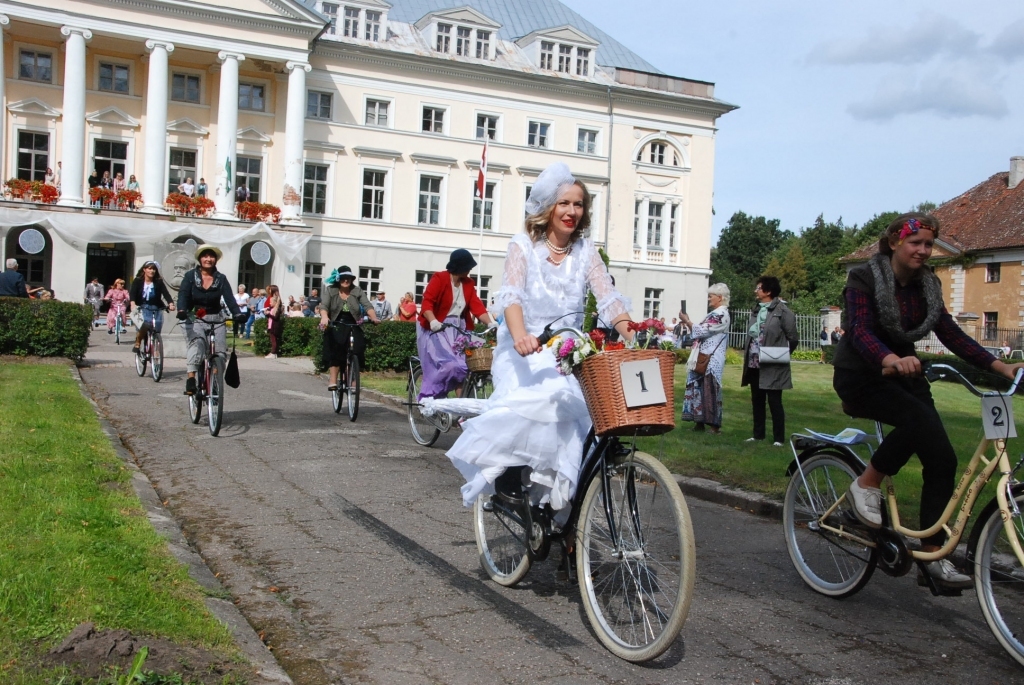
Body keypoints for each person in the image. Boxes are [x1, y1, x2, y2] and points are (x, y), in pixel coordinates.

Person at [835, 213, 1024, 587]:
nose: (923, 250)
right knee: (917, 421)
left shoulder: (929, 287)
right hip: (862, 374)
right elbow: (857, 329)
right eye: (915, 242)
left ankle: (933, 558)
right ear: (894, 243)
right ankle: (865, 486)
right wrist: (888, 358)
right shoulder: (864, 278)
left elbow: (951, 334)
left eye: (928, 244)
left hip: (907, 372)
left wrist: (1001, 367)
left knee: (943, 457)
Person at [443, 162, 633, 513]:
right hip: (526, 348)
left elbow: (608, 298)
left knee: (591, 414)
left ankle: (566, 513)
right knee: (542, 400)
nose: (571, 211)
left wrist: (633, 330)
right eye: (564, 203)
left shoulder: (586, 251)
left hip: (568, 350)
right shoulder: (523, 246)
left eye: (578, 204)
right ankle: (510, 477)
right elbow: (511, 296)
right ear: (548, 206)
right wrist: (519, 337)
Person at [416, 249, 495, 400]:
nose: (471, 269)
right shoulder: (440, 279)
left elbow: (476, 306)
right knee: (450, 365)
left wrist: (490, 323)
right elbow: (427, 303)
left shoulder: (468, 283)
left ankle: (463, 410)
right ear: (460, 266)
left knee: (468, 365)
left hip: (459, 328)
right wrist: (433, 320)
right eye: (468, 266)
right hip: (437, 328)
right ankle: (434, 395)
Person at [176, 245, 245, 396]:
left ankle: (214, 380)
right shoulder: (190, 276)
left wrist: (237, 314)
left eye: (211, 256)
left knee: (220, 353)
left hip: (217, 318)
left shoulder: (221, 278)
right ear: (200, 259)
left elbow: (230, 299)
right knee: (198, 344)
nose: (208, 259)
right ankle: (191, 379)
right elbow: (183, 295)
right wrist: (181, 310)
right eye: (205, 256)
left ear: (216, 259)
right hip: (198, 317)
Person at [741, 275, 798, 446]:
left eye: (759, 288)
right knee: (757, 399)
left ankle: (778, 439)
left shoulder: (783, 312)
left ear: (769, 291)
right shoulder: (756, 310)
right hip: (754, 361)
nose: (755, 291)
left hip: (773, 363)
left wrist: (780, 354)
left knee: (774, 401)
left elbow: (792, 338)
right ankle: (758, 434)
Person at [679, 284, 731, 434]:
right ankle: (699, 422)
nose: (709, 298)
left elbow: (702, 330)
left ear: (720, 298)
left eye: (711, 296)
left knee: (710, 389)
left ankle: (714, 426)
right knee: (697, 388)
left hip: (711, 358)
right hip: (702, 356)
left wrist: (687, 321)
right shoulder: (714, 313)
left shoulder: (721, 314)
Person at [318, 266, 380, 391]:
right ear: (338, 279)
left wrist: (374, 318)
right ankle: (333, 379)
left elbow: (367, 305)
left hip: (353, 322)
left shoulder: (357, 290)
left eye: (349, 278)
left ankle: (352, 377)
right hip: (336, 322)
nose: (346, 281)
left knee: (357, 348)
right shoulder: (331, 290)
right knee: (335, 348)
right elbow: (324, 306)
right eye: (343, 278)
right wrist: (324, 317)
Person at [128, 261, 175, 354]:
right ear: (144, 270)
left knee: (157, 326)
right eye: (149, 268)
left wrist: (170, 303)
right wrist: (132, 303)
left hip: (156, 306)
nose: (152, 271)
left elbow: (166, 293)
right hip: (142, 306)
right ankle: (138, 341)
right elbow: (132, 293)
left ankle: (156, 346)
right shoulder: (138, 281)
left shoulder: (158, 282)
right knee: (145, 324)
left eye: (153, 269)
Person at [263, 284, 283, 359]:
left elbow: (275, 317)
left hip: (274, 325)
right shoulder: (272, 307)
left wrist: (269, 314)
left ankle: (274, 352)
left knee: (274, 339)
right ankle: (273, 352)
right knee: (273, 339)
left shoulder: (276, 307)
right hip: (271, 324)